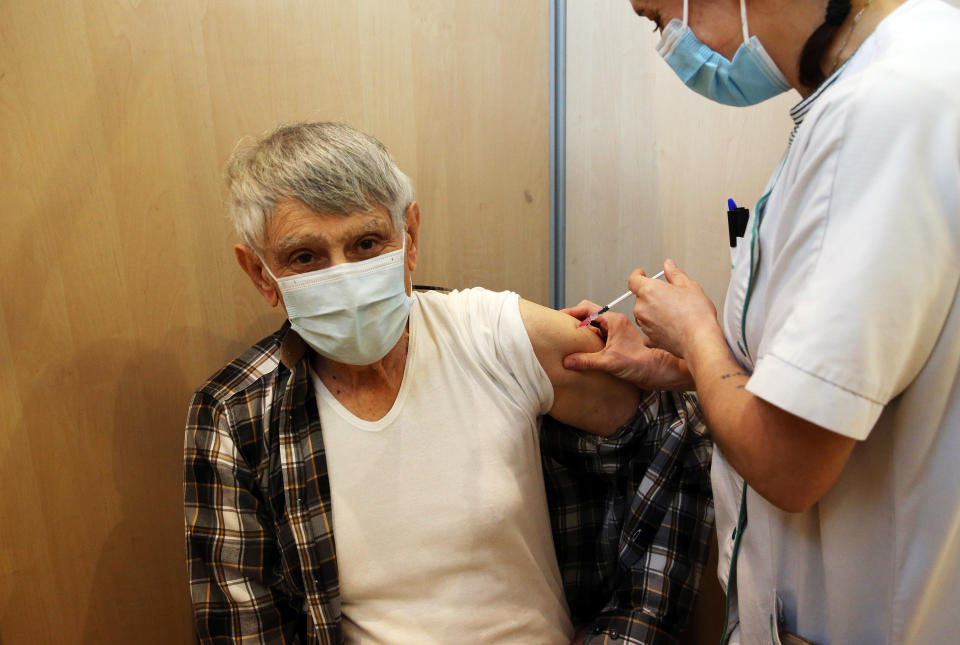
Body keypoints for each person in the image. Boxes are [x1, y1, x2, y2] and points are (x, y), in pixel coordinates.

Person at [184, 121, 713, 644]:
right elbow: (245, 629)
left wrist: (629, 636)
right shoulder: (236, 417)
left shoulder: (493, 334)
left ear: (409, 237)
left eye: (367, 242)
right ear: (259, 274)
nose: (343, 275)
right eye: (305, 257)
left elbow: (674, 433)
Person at [563, 0, 960, 643]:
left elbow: (786, 462)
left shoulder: (889, 107)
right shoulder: (878, 88)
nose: (671, 44)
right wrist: (690, 367)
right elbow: (852, 378)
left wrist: (696, 329)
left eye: (657, 17)